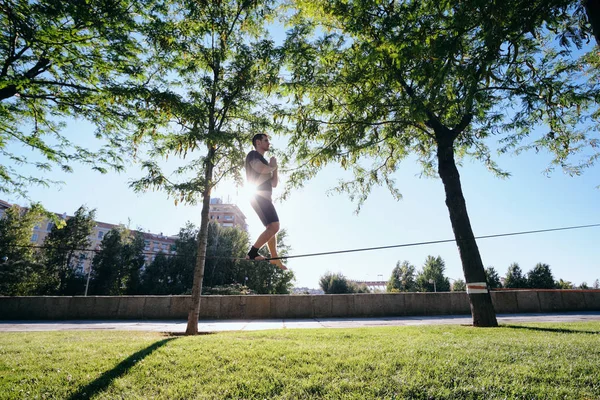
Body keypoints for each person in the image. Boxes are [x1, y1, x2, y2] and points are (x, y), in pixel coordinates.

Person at [245, 133, 287, 270]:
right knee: (275, 227)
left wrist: (275, 168)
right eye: (266, 140)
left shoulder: (265, 162)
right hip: (258, 197)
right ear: (258, 142)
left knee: (270, 228)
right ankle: (252, 253)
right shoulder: (253, 155)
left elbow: (274, 183)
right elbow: (260, 169)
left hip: (264, 198)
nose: (269, 143)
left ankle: (274, 257)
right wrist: (272, 167)